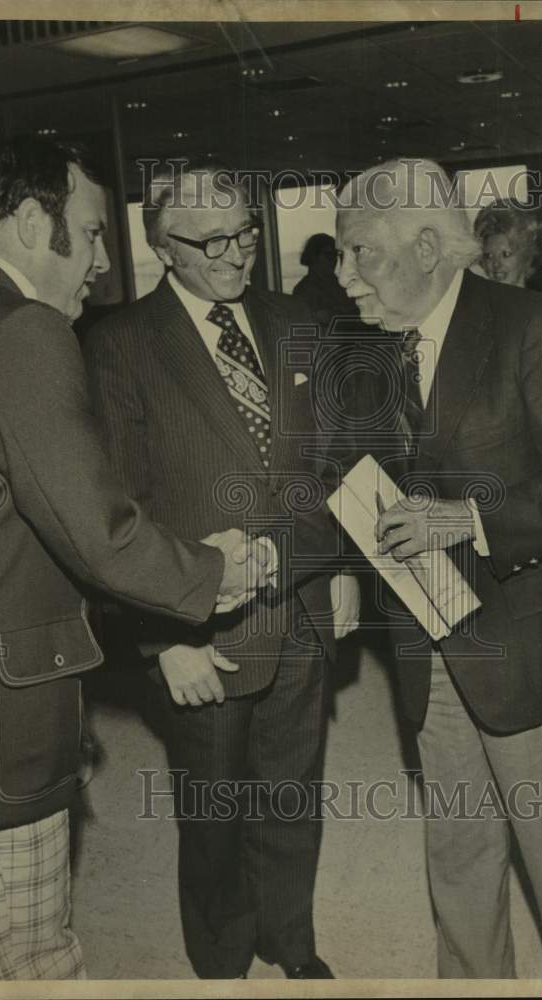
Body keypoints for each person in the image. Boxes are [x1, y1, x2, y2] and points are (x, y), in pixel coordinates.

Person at [0, 137, 275, 982]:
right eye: (92, 234)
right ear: (31, 223)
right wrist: (216, 573)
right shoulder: (18, 331)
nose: (101, 264)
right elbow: (98, 529)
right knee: (32, 965)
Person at [335, 158, 542, 978]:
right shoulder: (371, 349)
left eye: (362, 253)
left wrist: (468, 519)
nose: (345, 275)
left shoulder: (532, 326)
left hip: (529, 652)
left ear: (429, 246)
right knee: (459, 869)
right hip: (426, 653)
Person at [84, 162, 359, 980]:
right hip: (200, 625)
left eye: (244, 233)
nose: (238, 254)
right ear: (163, 248)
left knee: (292, 791)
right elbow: (118, 509)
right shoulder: (121, 345)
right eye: (212, 243)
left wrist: (335, 566)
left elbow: (331, 461)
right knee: (213, 806)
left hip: (302, 601)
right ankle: (222, 956)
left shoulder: (294, 319)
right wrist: (160, 641)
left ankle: (291, 938)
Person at [473, 198, 542, 290]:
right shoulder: (477, 301)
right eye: (489, 256)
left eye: (506, 254)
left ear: (527, 255)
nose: (496, 265)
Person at [291, 232, 353, 331]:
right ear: (313, 256)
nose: (333, 260)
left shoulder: (342, 284)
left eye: (334, 255)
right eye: (328, 255)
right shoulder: (303, 290)